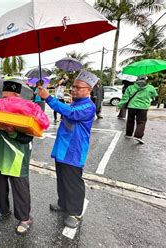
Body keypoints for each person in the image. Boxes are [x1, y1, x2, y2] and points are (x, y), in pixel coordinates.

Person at [38, 70, 98, 228]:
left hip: (74, 149)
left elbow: (70, 113)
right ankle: (63, 203)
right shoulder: (76, 102)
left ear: (88, 90)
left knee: (73, 182)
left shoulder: (88, 106)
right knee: (62, 179)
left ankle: (75, 213)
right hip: (63, 148)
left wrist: (49, 98)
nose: (74, 89)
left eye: (79, 87)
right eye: (73, 86)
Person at [0, 79, 34, 236]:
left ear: (16, 96)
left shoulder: (26, 111)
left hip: (18, 157)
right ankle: (3, 209)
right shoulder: (1, 109)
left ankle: (25, 218)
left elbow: (28, 138)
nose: (5, 101)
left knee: (20, 189)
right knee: (0, 185)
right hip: (2, 156)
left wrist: (12, 132)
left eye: (8, 98)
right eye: (3, 97)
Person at [117, 76, 158, 144]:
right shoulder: (150, 87)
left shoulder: (131, 87)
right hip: (143, 107)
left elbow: (125, 98)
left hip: (132, 107)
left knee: (130, 120)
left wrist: (119, 105)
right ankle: (138, 136)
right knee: (141, 122)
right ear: (146, 80)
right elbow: (154, 95)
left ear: (136, 80)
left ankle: (128, 134)